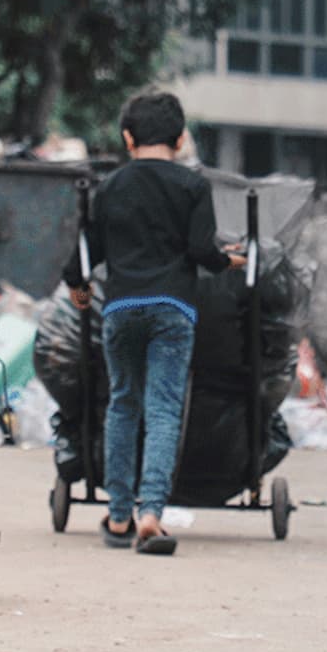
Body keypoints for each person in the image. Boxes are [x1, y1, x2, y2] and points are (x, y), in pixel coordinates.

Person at [65, 91, 244, 556]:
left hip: (120, 309)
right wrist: (230, 263)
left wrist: (83, 299)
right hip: (172, 310)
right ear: (181, 138)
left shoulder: (111, 187)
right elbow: (202, 251)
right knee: (163, 410)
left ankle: (119, 513)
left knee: (123, 404)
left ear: (127, 138)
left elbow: (81, 263)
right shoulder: (192, 186)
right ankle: (151, 515)